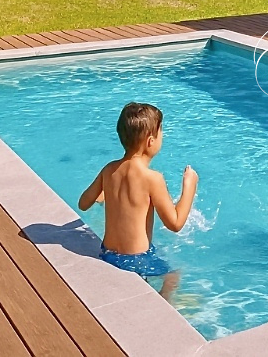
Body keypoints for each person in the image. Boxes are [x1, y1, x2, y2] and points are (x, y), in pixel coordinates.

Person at [79, 103, 198, 301]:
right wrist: (189, 187)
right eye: (161, 132)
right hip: (136, 260)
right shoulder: (152, 178)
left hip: (107, 254)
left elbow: (83, 204)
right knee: (173, 276)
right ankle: (163, 303)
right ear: (151, 141)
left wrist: (105, 192)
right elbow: (175, 223)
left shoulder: (109, 170)